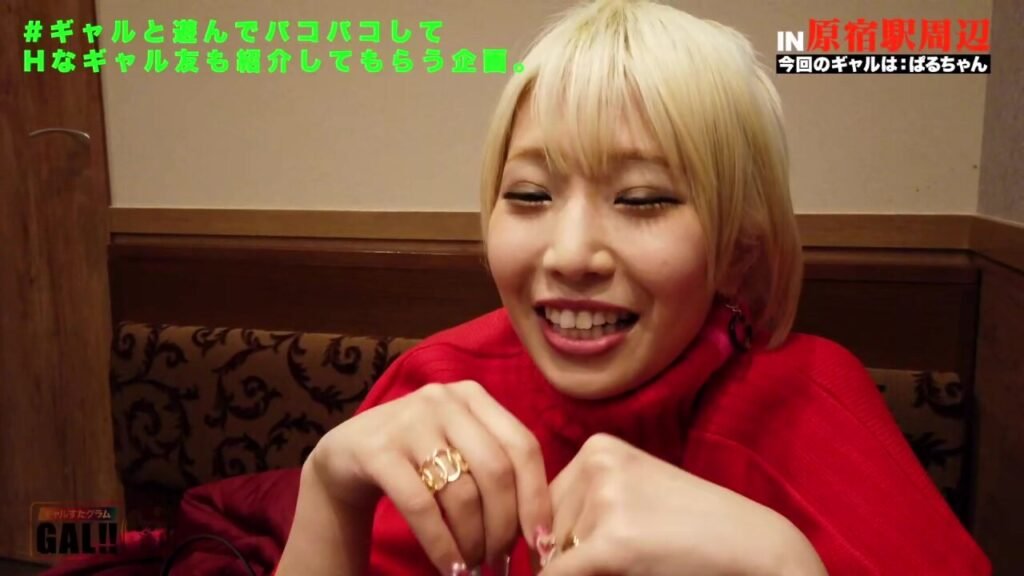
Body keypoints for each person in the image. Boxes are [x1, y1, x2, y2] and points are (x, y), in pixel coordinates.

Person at [275, 1, 990, 574]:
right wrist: (328, 488)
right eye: (529, 195)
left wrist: (782, 561)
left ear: (737, 254)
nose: (571, 254)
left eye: (643, 199)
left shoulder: (813, 402)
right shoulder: (435, 384)